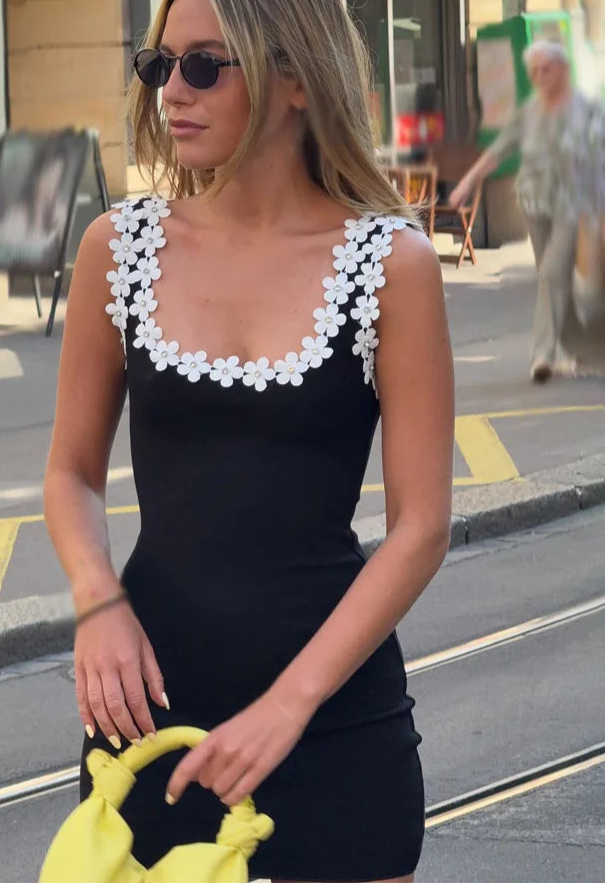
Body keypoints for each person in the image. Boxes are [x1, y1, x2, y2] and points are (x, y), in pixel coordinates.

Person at [44, 0, 454, 881]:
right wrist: (96, 601)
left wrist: (288, 707)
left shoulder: (391, 266)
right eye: (159, 69)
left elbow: (421, 526)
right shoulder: (117, 249)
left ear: (297, 79)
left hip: (333, 717)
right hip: (151, 718)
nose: (172, 95)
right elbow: (71, 473)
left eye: (203, 67)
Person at [450, 40, 605, 383]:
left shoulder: (588, 110)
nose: (539, 77)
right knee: (553, 280)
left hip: (573, 205)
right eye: (533, 71)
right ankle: (582, 348)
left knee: (552, 273)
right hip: (534, 203)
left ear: (563, 70)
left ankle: (542, 356)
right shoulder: (529, 112)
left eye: (545, 69)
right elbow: (498, 151)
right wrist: (466, 184)